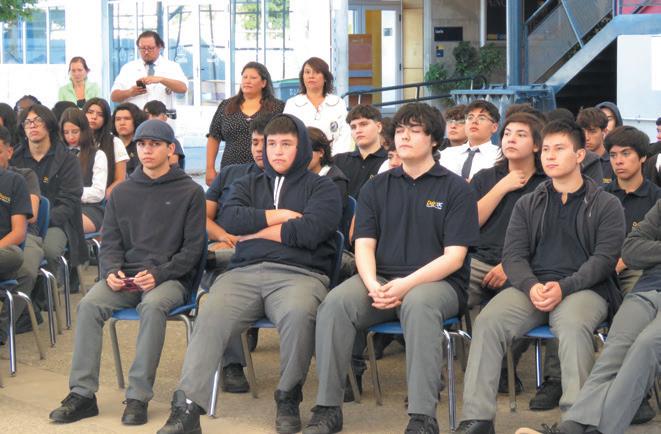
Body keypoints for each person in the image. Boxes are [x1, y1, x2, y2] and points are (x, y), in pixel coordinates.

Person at [158, 114, 342, 434]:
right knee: (210, 310)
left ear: (301, 148)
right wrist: (280, 216)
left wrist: (255, 232)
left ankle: (288, 396)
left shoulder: (322, 187)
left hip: (300, 274)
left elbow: (311, 231)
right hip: (243, 273)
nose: (277, 151)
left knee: (299, 314)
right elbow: (231, 219)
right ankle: (187, 406)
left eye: (286, 144)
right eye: (272, 144)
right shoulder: (247, 182)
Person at [302, 102, 479, 434]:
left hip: (438, 283)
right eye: (400, 131)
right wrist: (372, 284)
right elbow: (363, 245)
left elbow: (454, 258)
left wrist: (405, 284)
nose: (404, 137)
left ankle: (422, 416)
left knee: (419, 305)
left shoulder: (456, 189)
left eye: (415, 131)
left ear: (434, 140)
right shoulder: (376, 186)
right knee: (335, 304)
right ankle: (327, 408)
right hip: (381, 279)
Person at [456, 119, 626, 434]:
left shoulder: (606, 203)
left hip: (585, 288)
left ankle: (577, 420)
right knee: (488, 321)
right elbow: (514, 256)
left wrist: (564, 287)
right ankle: (477, 419)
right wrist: (531, 285)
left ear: (579, 155)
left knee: (573, 325)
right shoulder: (529, 203)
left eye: (559, 149)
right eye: (546, 149)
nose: (549, 155)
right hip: (532, 287)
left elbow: (604, 261)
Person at [48, 119, 205, 426]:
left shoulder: (190, 191)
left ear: (171, 149)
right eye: (142, 144)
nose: (147, 150)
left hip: (170, 278)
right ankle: (82, 394)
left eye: (155, 144)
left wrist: (159, 274)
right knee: (89, 305)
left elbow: (193, 250)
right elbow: (110, 242)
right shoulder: (122, 192)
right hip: (126, 277)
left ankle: (137, 397)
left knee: (152, 306)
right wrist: (110, 271)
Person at [515, 199, 661, 434]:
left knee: (646, 345)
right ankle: (571, 428)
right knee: (613, 353)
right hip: (647, 290)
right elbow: (631, 250)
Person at [467, 113, 547, 393]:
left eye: (521, 134)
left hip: (524, 264)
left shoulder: (547, 183)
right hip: (477, 260)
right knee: (439, 296)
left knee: (523, 303)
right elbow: (469, 223)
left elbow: (547, 238)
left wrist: (509, 265)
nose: (511, 139)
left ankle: (501, 367)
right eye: (507, 133)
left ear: (536, 145)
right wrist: (502, 187)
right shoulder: (486, 177)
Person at [11, 104, 87, 287]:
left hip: (56, 223)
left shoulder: (67, 159)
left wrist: (42, 221)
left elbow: (69, 201)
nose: (32, 125)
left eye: (38, 120)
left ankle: (47, 294)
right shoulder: (15, 159)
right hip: (20, 223)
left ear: (49, 125)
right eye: (27, 122)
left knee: (49, 250)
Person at [205, 61, 285, 183]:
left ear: (263, 83)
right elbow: (213, 137)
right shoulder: (226, 106)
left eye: (253, 78)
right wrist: (210, 168)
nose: (247, 81)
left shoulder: (278, 107)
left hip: (267, 171)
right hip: (231, 171)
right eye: (244, 77)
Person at [604, 125, 661, 292]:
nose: (618, 161)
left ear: (642, 157)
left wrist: (625, 261)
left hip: (639, 269)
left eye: (626, 153)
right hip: (601, 267)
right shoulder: (599, 196)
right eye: (613, 155)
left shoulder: (657, 198)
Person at [0, 125, 34, 344]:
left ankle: (1, 330)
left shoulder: (15, 181)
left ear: (9, 152)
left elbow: (19, 232)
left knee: (16, 256)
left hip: (4, 252)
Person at [284, 57, 352, 155]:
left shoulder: (338, 103)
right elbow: (287, 135)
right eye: (307, 72)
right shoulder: (292, 104)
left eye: (316, 72)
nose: (311, 76)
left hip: (334, 159)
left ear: (325, 78)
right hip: (301, 158)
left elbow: (345, 135)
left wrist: (333, 159)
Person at [110, 30, 187, 111]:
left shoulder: (172, 66)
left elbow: (183, 88)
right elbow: (114, 96)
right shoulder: (128, 68)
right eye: (142, 48)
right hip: (137, 117)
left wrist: (161, 79)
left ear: (159, 47)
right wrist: (130, 92)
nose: (146, 52)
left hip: (162, 117)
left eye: (150, 48)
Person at [59, 108, 108, 233]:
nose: (70, 137)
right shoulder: (58, 155)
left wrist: (70, 194)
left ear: (84, 130)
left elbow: (98, 192)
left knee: (64, 223)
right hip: (61, 206)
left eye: (75, 132)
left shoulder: (98, 155)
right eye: (66, 132)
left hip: (90, 208)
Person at [333, 104, 387, 199]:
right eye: (353, 127)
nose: (358, 130)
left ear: (379, 127)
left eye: (364, 124)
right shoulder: (338, 161)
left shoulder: (390, 161)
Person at [439, 99, 501, 180]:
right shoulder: (446, 154)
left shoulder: (500, 157)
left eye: (481, 118)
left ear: (494, 127)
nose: (474, 121)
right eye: (470, 117)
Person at [83, 98, 130, 197]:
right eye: (90, 112)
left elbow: (120, 179)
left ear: (106, 119)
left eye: (100, 114)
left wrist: (102, 197)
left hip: (105, 199)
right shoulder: (75, 140)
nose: (94, 117)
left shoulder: (115, 142)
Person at [307, 126, 349, 207]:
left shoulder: (336, 181)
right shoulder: (299, 175)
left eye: (306, 151)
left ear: (321, 152)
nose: (301, 156)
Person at [143, 100, 185, 167]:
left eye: (154, 115)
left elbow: (173, 168)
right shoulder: (140, 140)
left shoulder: (172, 141)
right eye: (146, 115)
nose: (150, 118)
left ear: (165, 117)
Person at [576, 107, 612, 183]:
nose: (586, 137)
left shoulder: (613, 161)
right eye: (582, 131)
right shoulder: (574, 162)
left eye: (592, 131)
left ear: (604, 132)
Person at [112, 102, 146, 176]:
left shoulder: (143, 146)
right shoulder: (109, 144)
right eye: (118, 119)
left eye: (127, 119)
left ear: (136, 120)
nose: (122, 123)